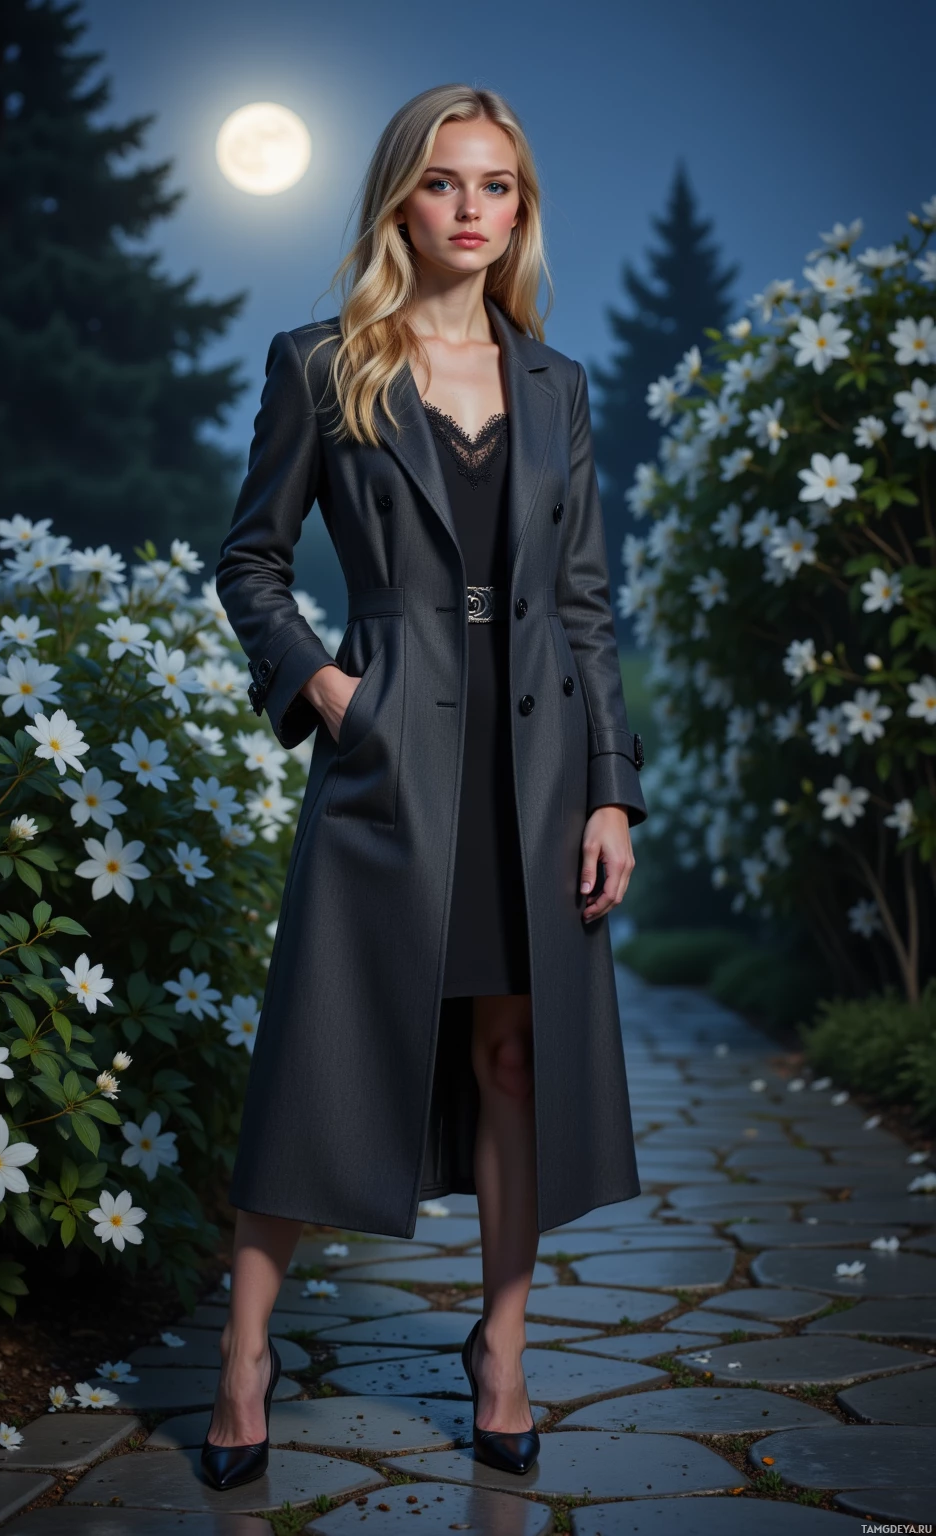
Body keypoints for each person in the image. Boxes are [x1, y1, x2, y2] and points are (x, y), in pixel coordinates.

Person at [203, 83, 647, 1492]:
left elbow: (584, 608)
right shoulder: (321, 363)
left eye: (498, 187)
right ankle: (242, 1359)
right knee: (317, 1064)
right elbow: (249, 561)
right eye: (447, 182)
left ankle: (503, 1352)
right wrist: (330, 691)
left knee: (515, 1061)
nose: (473, 208)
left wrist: (610, 791)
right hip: (388, 766)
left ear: (521, 211)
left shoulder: (558, 386)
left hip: (532, 771)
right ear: (402, 198)